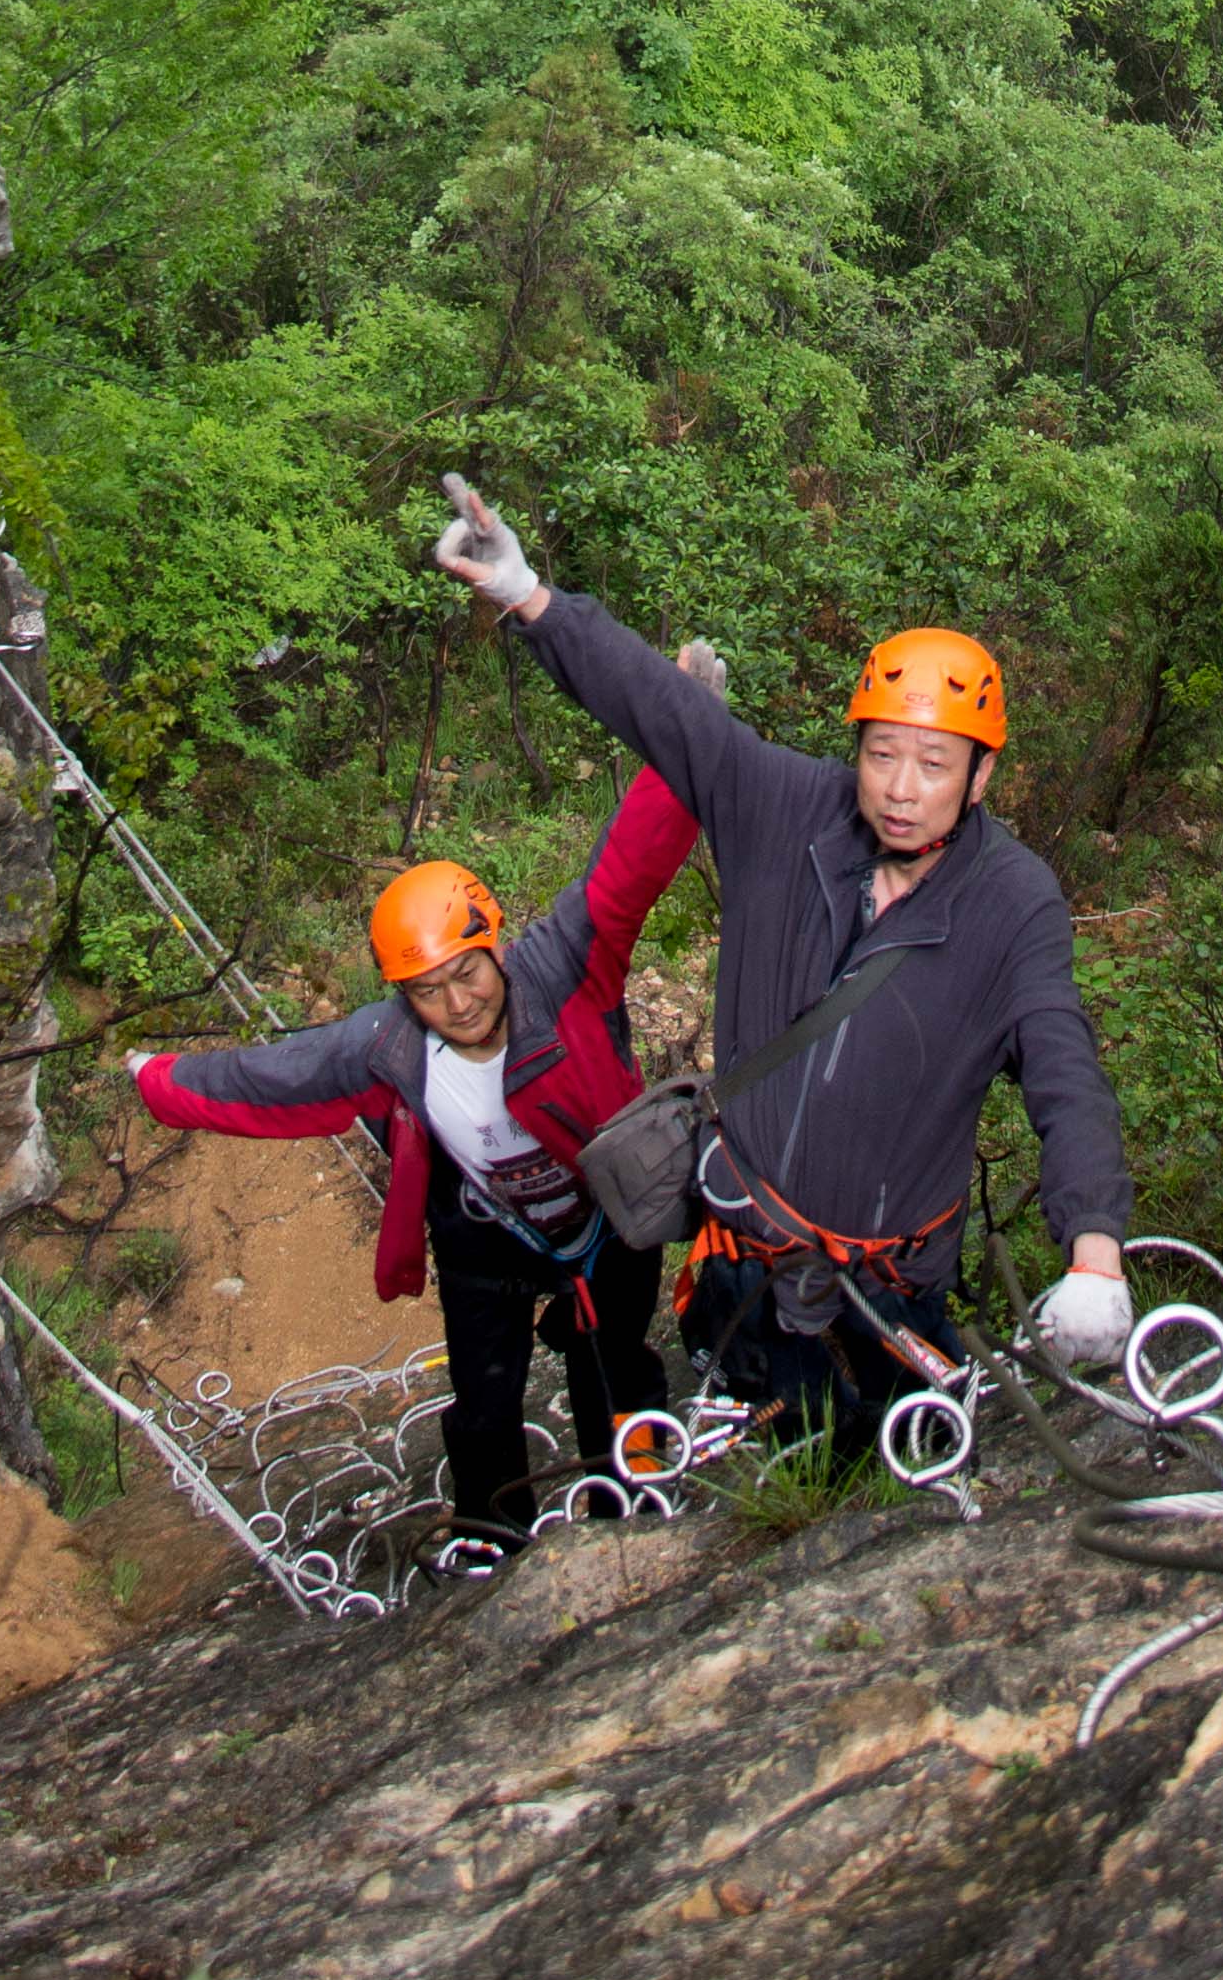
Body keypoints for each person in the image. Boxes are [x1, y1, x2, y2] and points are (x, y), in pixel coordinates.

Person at [432, 480, 1137, 1462]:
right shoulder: (785, 810)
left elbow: (1064, 1067)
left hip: (886, 1291)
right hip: (748, 1270)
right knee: (780, 1465)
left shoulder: (1010, 904)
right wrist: (529, 596)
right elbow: (662, 711)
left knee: (887, 1484)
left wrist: (1094, 1246)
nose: (900, 789)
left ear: (983, 777)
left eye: (935, 766)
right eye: (883, 753)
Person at [131, 766, 696, 1557]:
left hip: (607, 1216)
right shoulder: (384, 1052)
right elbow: (266, 1079)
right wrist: (154, 1081)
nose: (458, 1003)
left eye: (467, 973)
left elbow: (629, 865)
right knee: (483, 1407)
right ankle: (489, 1543)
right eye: (429, 992)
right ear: (403, 995)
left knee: (615, 1377)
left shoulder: (566, 970)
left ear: (493, 947)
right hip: (485, 1242)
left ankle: (637, 1514)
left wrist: (678, 735)